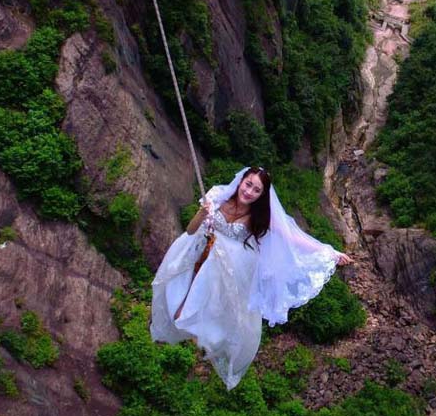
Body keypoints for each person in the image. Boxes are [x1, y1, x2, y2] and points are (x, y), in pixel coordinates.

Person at [150, 166, 353, 390]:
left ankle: (205, 341)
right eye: (248, 184)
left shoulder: (258, 217)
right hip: (198, 253)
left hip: (224, 267)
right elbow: (190, 231)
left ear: (261, 195)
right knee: (178, 305)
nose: (249, 192)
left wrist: (330, 253)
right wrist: (203, 213)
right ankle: (185, 333)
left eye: (256, 190)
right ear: (240, 181)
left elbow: (292, 238)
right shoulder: (216, 196)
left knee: (209, 313)